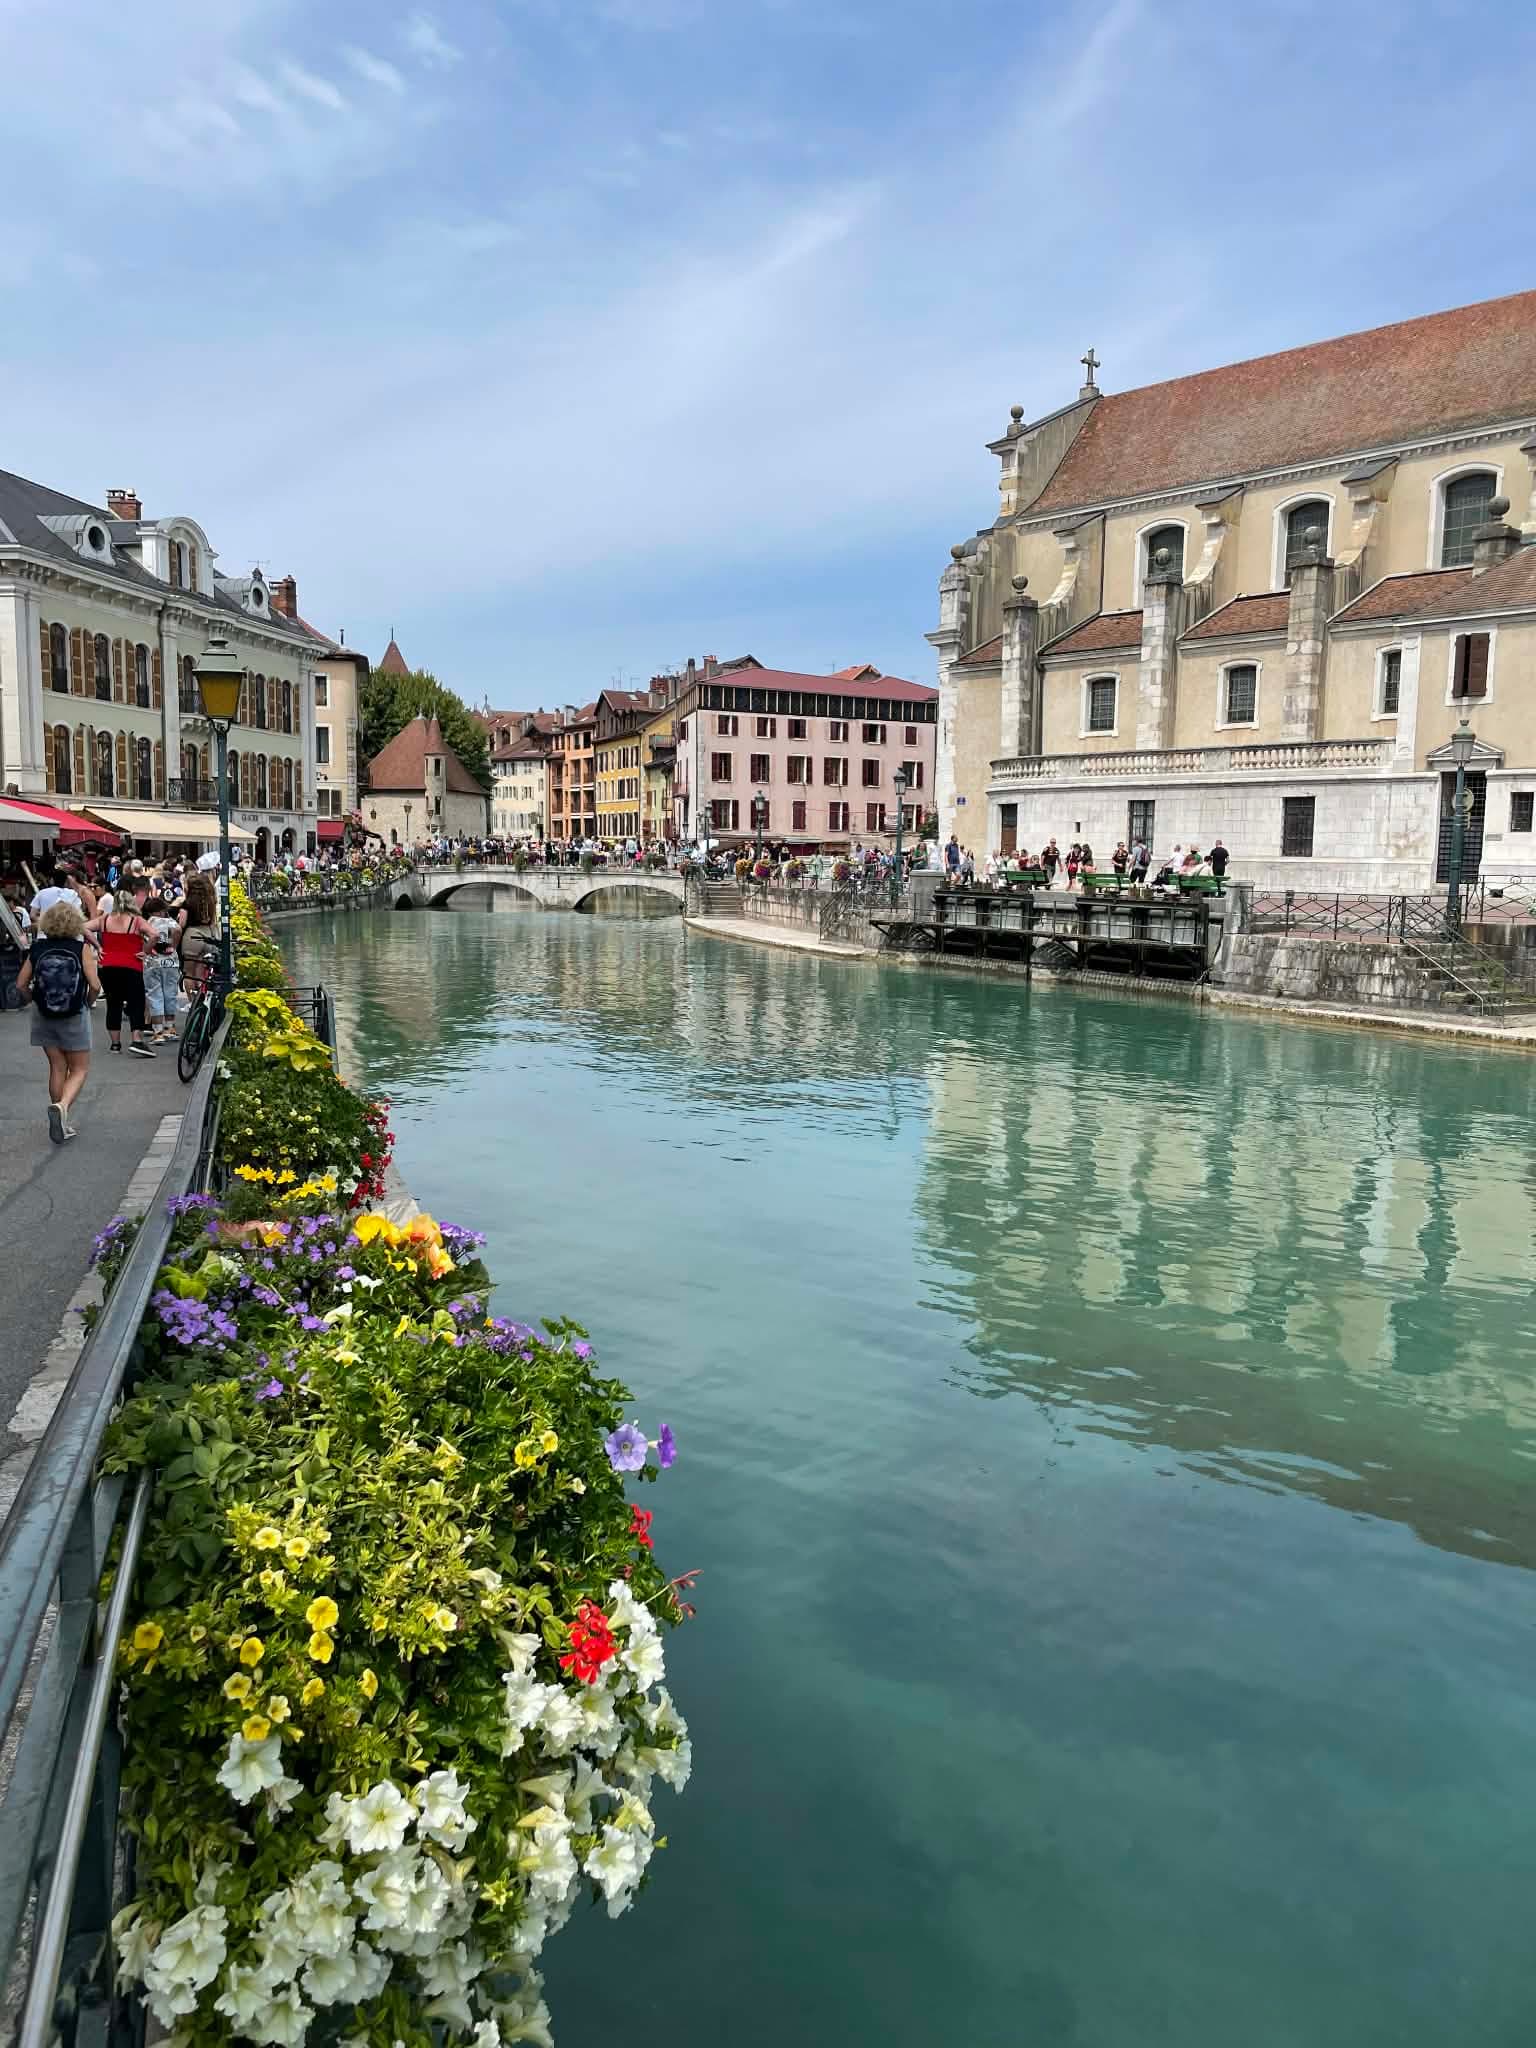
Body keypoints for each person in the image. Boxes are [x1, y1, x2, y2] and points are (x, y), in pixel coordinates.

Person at [16, 900, 101, 1142]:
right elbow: (95, 985)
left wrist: (35, 999)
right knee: (80, 1068)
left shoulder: (38, 948)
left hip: (44, 1013)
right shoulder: (81, 948)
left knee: (57, 1066)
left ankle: (60, 1118)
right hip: (74, 1013)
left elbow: (20, 984)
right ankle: (62, 1108)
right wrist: (87, 1000)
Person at [93, 897, 156, 1056]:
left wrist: (97, 945)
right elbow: (154, 935)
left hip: (108, 966)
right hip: (131, 965)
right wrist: (146, 950)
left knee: (113, 1003)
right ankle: (136, 1040)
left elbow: (81, 927)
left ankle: (115, 1044)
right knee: (136, 1002)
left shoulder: (104, 919)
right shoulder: (136, 921)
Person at [142, 895, 183, 1043]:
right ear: (162, 910)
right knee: (170, 994)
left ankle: (158, 1031)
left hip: (152, 962)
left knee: (155, 995)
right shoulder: (170, 922)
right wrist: (173, 945)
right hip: (171, 962)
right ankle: (170, 1028)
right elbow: (178, 930)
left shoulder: (148, 923)